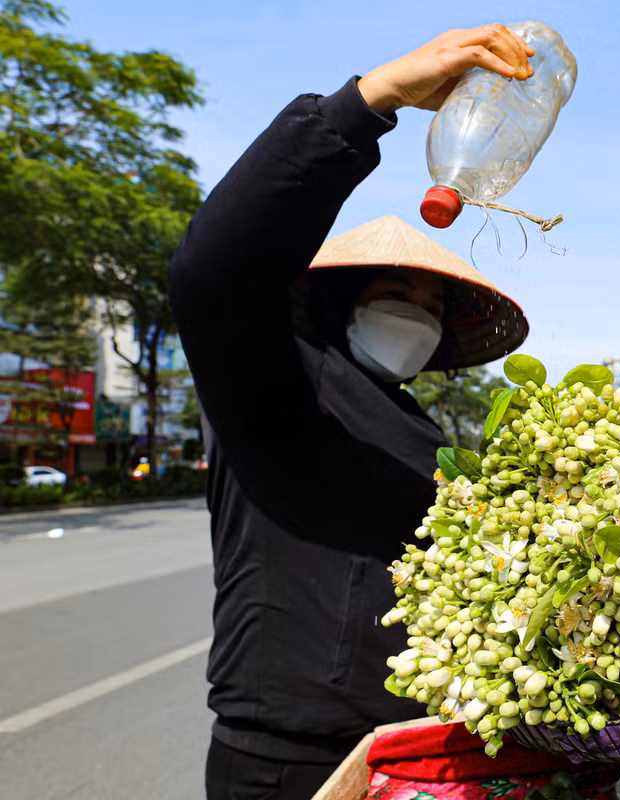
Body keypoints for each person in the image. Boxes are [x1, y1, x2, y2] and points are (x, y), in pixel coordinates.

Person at [167, 25, 535, 799]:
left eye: (433, 305)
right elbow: (216, 269)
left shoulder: (432, 438)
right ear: (337, 305)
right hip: (286, 764)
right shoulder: (278, 386)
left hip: (418, 755)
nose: (418, 314)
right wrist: (372, 100)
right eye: (396, 293)